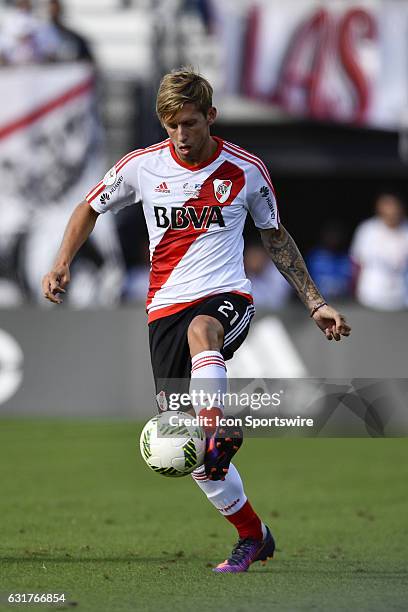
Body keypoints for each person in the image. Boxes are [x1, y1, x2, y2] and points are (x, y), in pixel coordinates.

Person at [42, 68, 351, 573]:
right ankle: (254, 536)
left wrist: (315, 302)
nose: (181, 137)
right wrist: (60, 263)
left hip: (225, 297)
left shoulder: (246, 170)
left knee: (201, 333)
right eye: (171, 127)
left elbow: (275, 236)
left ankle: (218, 428)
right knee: (193, 461)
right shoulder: (141, 166)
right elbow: (88, 207)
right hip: (163, 309)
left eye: (189, 123)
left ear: (210, 115)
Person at [351, 193, 408, 310]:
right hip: (371, 297)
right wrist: (353, 291)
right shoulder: (367, 229)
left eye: (394, 205)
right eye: (387, 205)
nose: (391, 210)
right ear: (379, 208)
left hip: (402, 299)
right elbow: (357, 262)